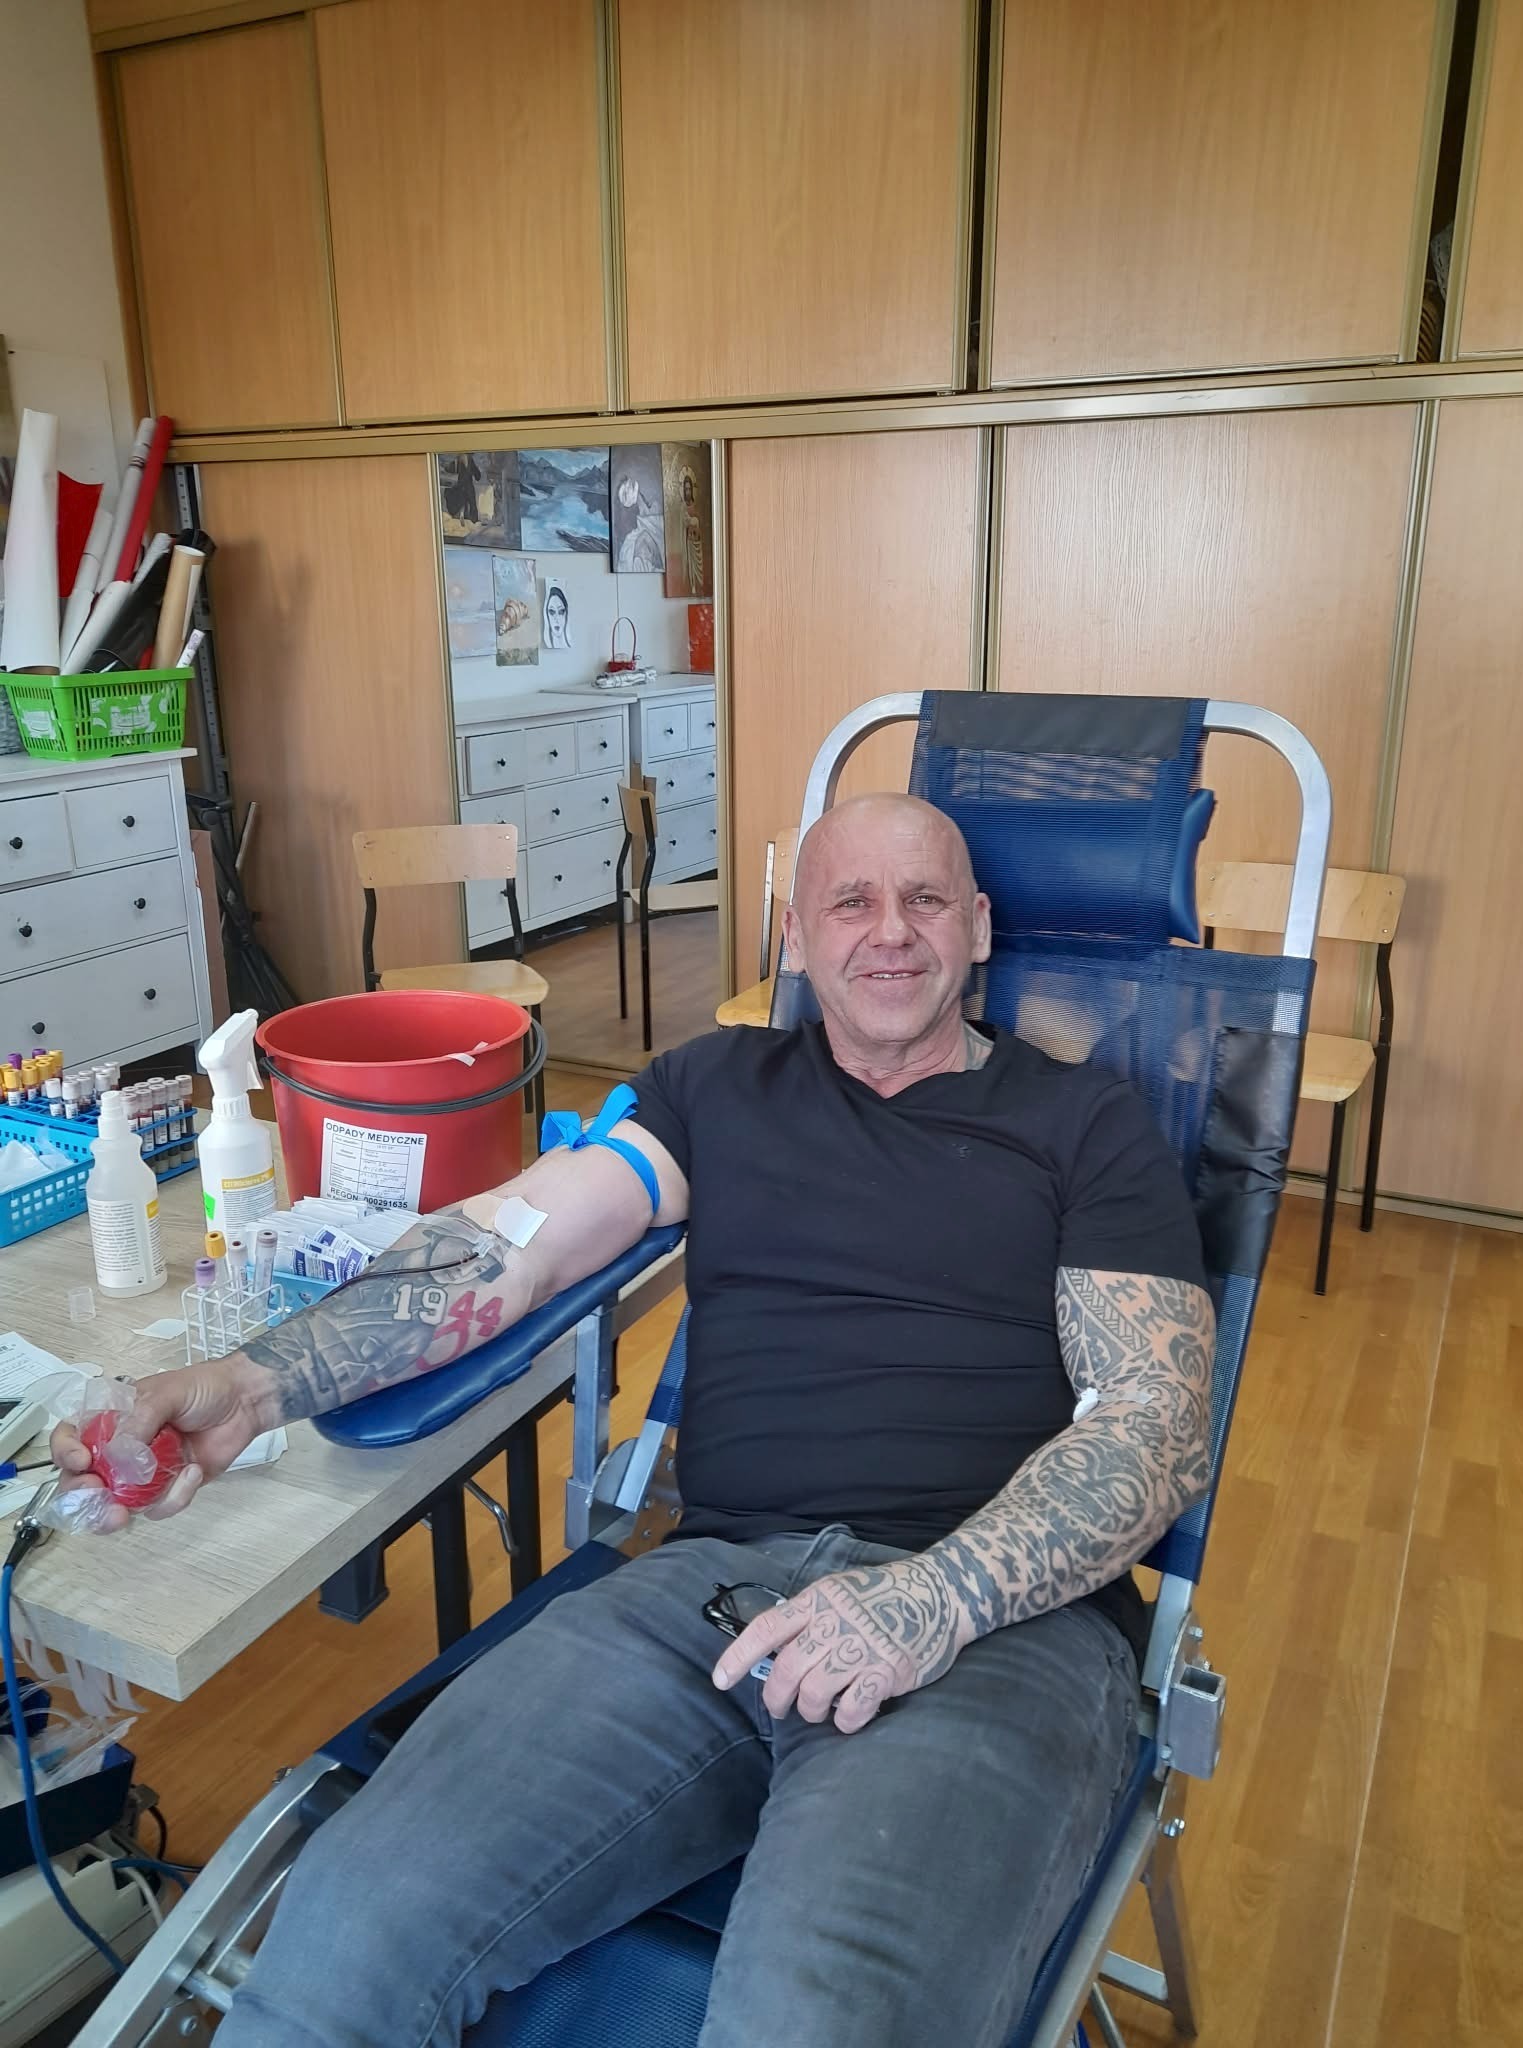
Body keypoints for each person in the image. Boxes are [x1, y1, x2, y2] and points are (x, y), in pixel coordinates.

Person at [53, 794, 1214, 2048]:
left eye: (925, 899)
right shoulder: (713, 1088)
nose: (890, 931)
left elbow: (1156, 1421)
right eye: (851, 901)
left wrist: (934, 1598)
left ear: (978, 926)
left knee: (817, 2020)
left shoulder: (1085, 1123)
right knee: (348, 1922)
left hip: (993, 1623)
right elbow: (509, 1248)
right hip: (707, 1598)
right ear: (796, 934)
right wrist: (252, 1382)